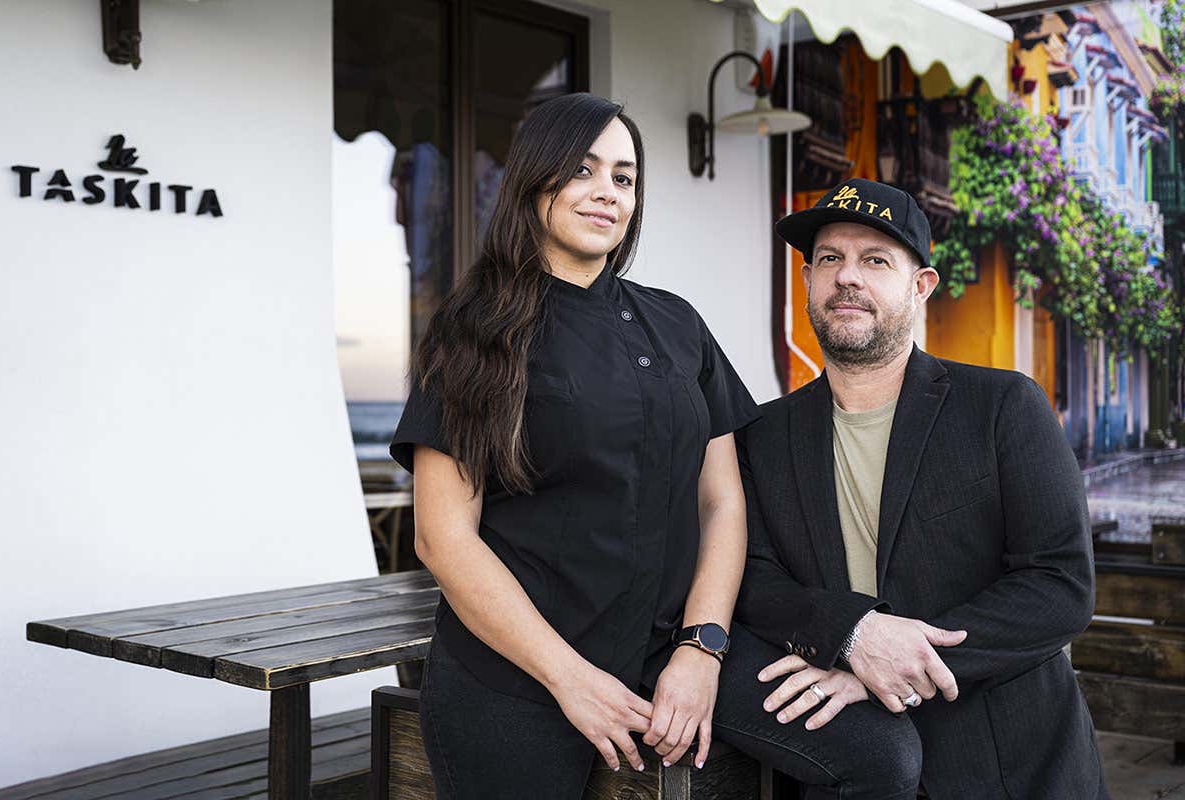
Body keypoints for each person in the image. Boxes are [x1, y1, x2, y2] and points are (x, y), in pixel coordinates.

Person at [389, 92, 760, 800]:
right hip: (514, 685)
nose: (607, 192)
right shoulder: (473, 331)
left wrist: (702, 647)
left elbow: (721, 502)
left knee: (860, 750)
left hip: (662, 661)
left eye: (624, 177)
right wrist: (570, 679)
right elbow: (442, 538)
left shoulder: (678, 324)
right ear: (535, 182)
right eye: (583, 170)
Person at [712, 178, 1107, 799]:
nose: (847, 277)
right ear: (808, 280)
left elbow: (1059, 585)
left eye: (875, 260)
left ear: (920, 286)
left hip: (1008, 767)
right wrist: (852, 634)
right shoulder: (762, 434)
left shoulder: (1003, 406)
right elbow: (753, 580)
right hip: (843, 768)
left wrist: (890, 666)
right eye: (830, 259)